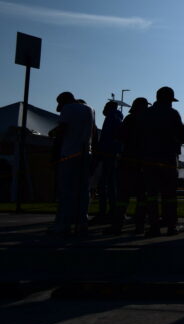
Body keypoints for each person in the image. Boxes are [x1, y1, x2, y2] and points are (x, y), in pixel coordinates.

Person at [48, 92, 95, 236]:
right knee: (83, 190)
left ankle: (63, 224)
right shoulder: (89, 109)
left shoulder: (68, 109)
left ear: (65, 101)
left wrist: (53, 135)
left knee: (66, 190)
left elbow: (62, 130)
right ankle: (82, 222)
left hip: (69, 154)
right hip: (85, 153)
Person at [142, 86, 184, 237]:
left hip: (149, 158)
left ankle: (153, 226)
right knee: (170, 194)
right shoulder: (173, 113)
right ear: (169, 100)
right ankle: (171, 226)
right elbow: (181, 136)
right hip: (168, 158)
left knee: (152, 194)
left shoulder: (147, 113)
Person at [105, 97, 149, 235]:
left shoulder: (129, 120)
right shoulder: (149, 121)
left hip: (128, 161)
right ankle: (139, 226)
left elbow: (120, 137)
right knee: (142, 197)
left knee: (123, 196)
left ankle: (117, 225)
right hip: (145, 163)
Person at [93, 101, 123, 224]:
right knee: (109, 185)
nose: (103, 109)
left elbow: (111, 137)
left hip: (108, 155)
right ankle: (110, 211)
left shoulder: (112, 118)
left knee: (107, 185)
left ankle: (107, 212)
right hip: (109, 154)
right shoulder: (115, 118)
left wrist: (105, 151)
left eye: (105, 106)